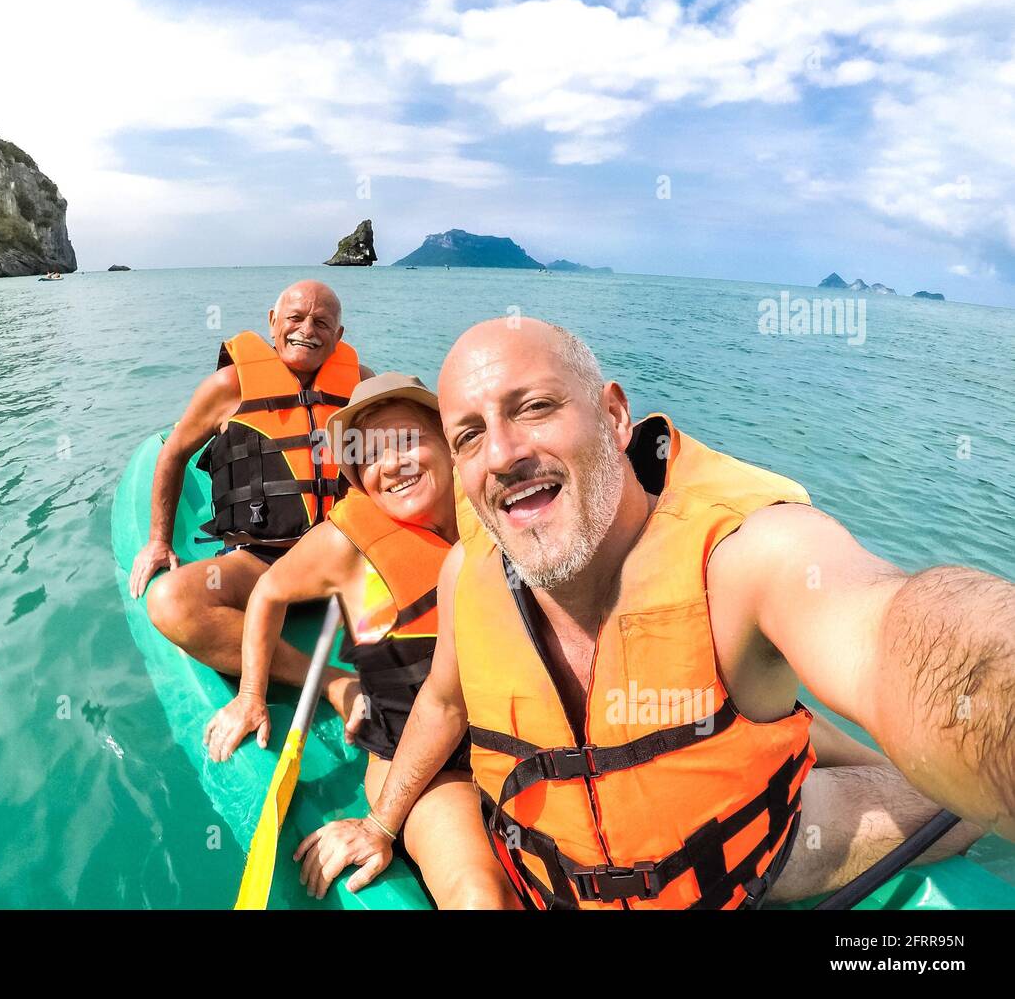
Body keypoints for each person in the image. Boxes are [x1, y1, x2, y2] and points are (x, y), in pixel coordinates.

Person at [296, 317, 1011, 909]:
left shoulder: (743, 550)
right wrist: (382, 822)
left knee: (957, 804)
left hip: (759, 855)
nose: (504, 453)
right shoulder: (468, 574)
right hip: (549, 879)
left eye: (535, 407)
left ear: (613, 414)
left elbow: (896, 632)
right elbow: (444, 704)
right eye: (471, 435)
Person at [203, 375, 522, 908]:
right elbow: (267, 594)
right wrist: (251, 695)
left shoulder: (510, 521)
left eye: (407, 441)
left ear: (450, 444)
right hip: (421, 769)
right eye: (370, 456)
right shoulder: (343, 544)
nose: (392, 464)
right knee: (479, 897)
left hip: (519, 743)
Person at [132, 281, 371, 723]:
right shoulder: (229, 386)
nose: (307, 330)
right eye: (295, 318)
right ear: (272, 322)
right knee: (171, 603)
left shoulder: (362, 385)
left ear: (339, 336)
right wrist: (158, 540)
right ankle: (331, 682)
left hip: (343, 557)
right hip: (260, 561)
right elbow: (174, 454)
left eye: (322, 323)